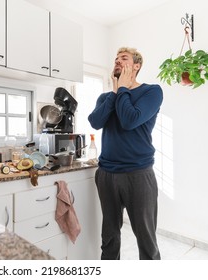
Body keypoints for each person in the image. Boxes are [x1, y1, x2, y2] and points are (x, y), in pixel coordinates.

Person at [88, 47, 163, 260]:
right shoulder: (106, 97)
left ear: (136, 66)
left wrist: (122, 90)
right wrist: (115, 92)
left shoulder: (152, 92)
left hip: (138, 175)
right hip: (106, 175)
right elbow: (95, 122)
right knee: (109, 236)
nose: (117, 61)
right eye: (116, 59)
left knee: (147, 241)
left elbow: (130, 120)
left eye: (124, 58)